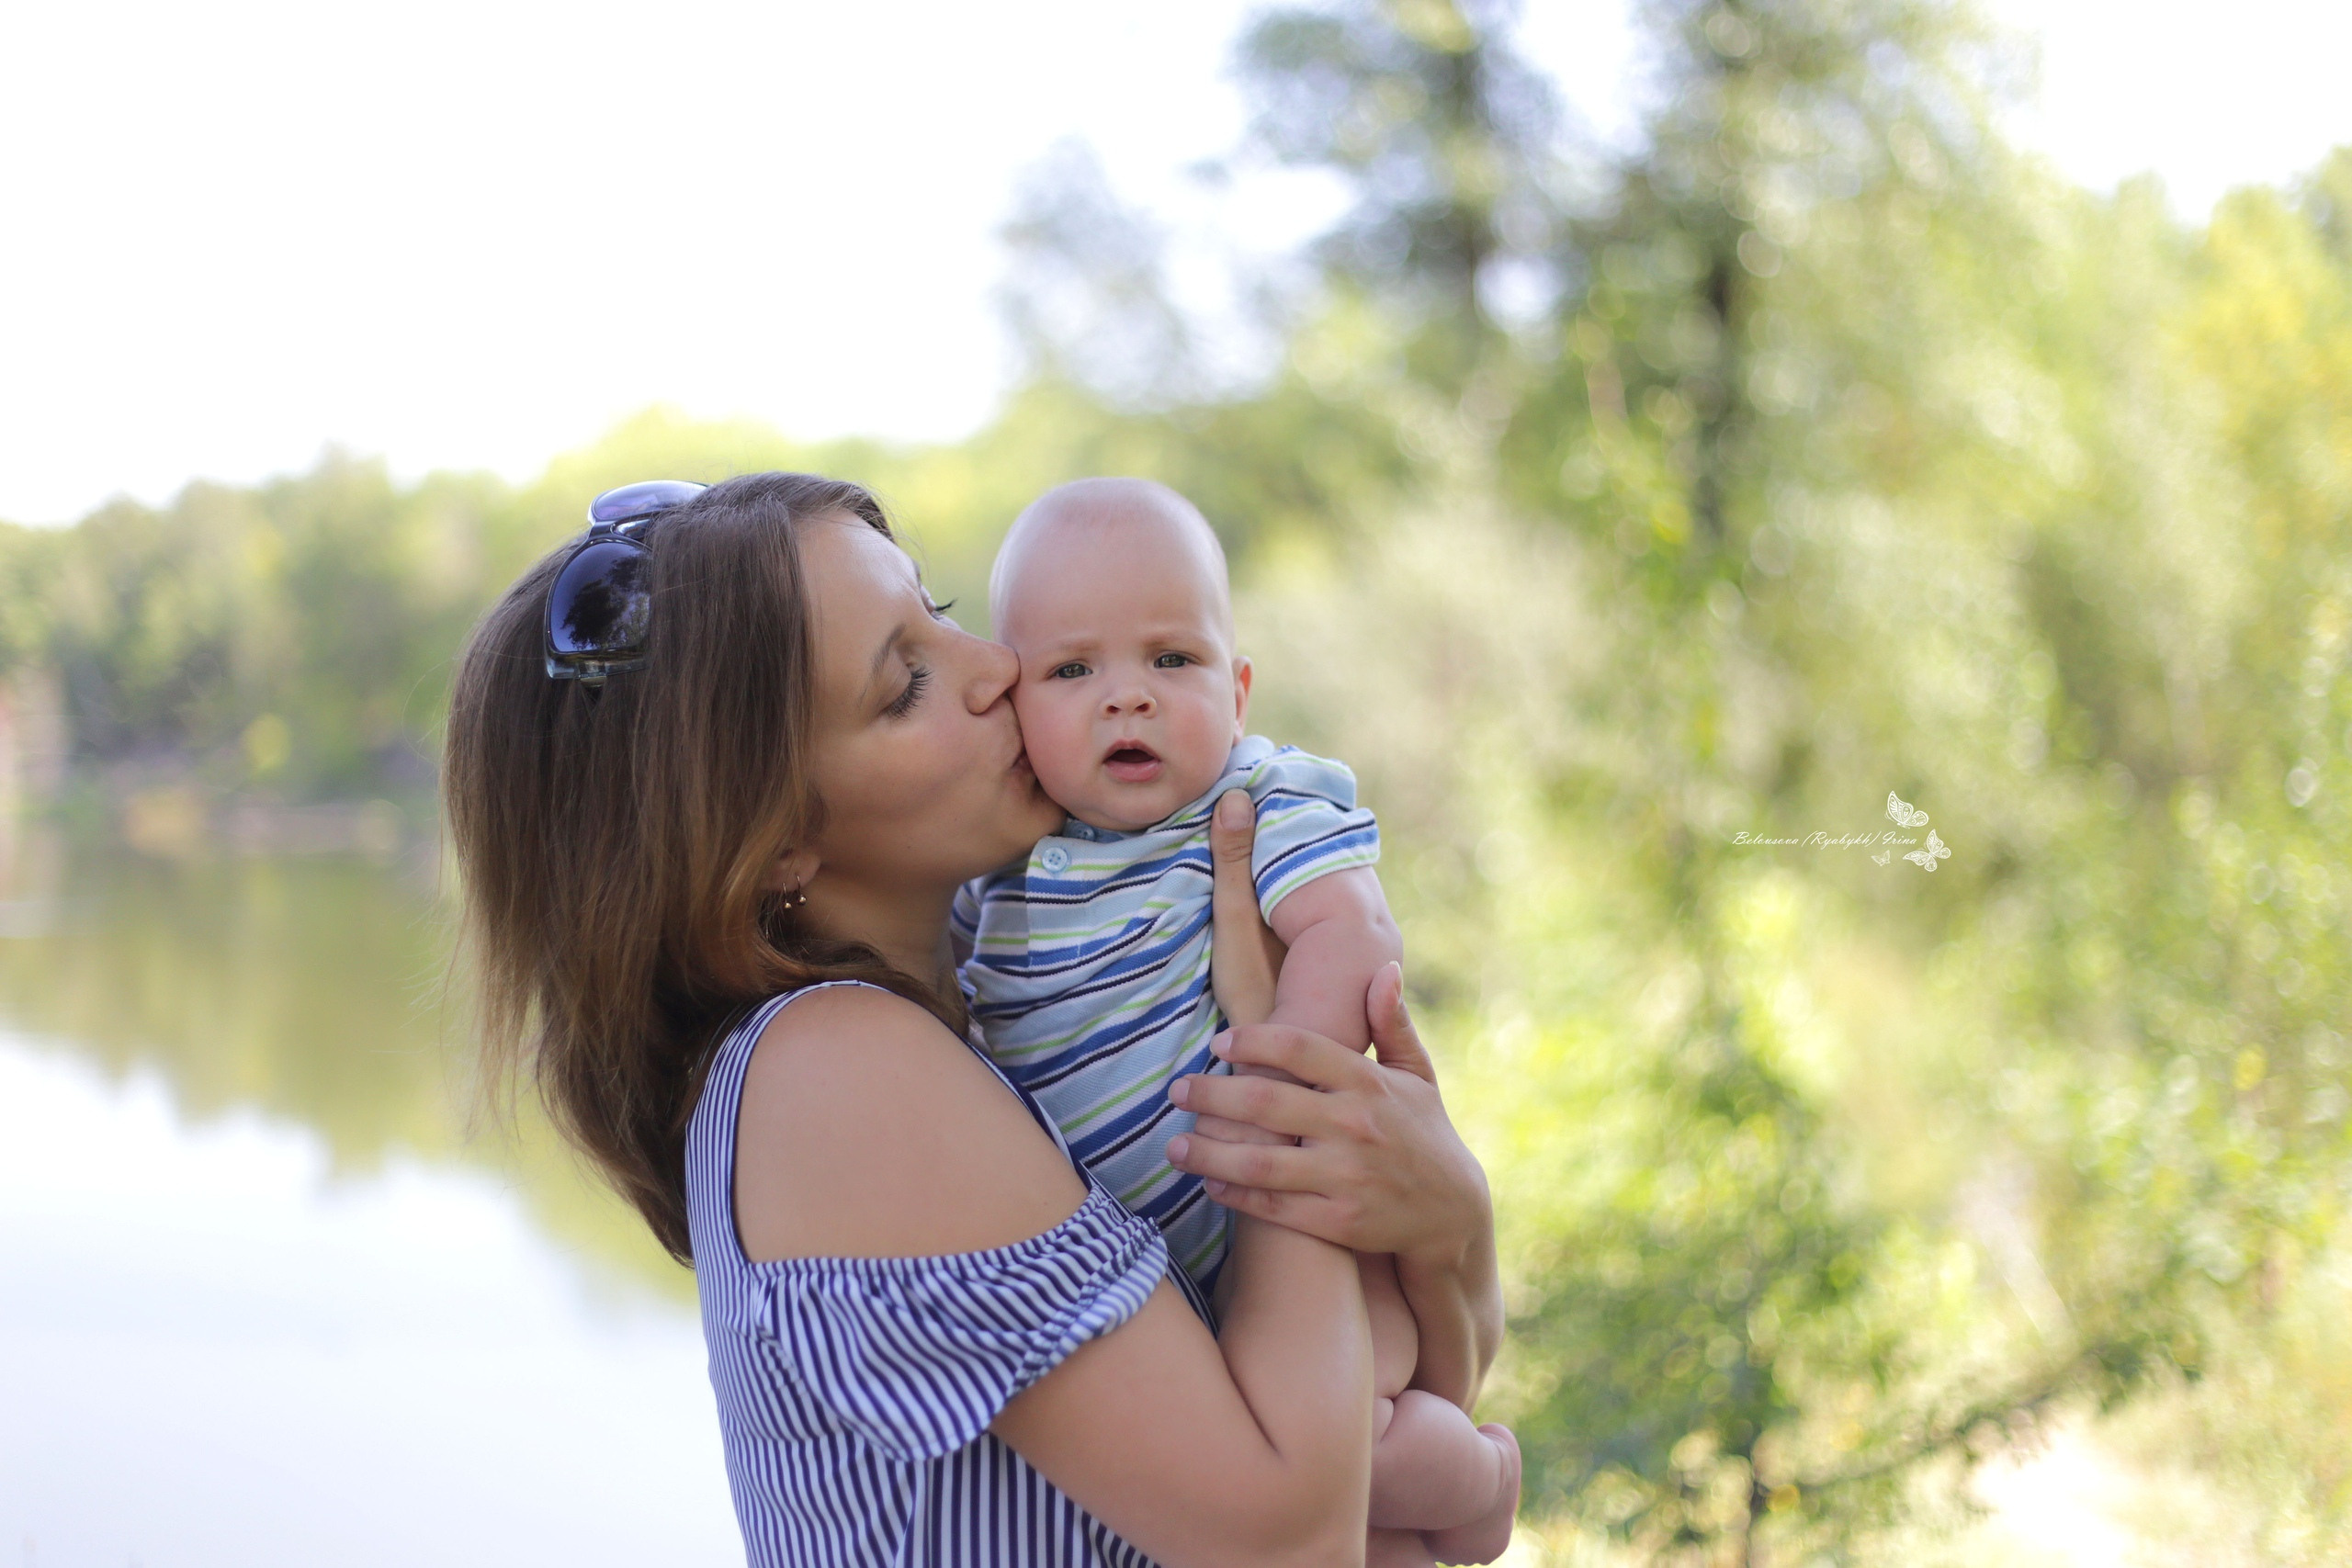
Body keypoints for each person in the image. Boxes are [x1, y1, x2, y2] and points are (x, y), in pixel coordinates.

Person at [441, 472, 1504, 1567]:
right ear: (775, 844)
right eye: (905, 683)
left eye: (938, 613)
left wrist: (1451, 1229)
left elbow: (1377, 1460)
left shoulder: (1007, 1006)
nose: (1000, 667)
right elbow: (1297, 1538)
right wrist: (1281, 1066)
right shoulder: (834, 1076)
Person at [957, 478, 1520, 1564]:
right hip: (1149, 1304)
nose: (1129, 698)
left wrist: (1280, 1090)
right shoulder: (1002, 869)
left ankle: (1483, 1485)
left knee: (1369, 1453)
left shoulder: (1258, 802)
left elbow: (1353, 938)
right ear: (1016, 705)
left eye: (1172, 660)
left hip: (1289, 1234)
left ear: (1240, 689)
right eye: (1074, 670)